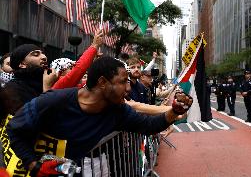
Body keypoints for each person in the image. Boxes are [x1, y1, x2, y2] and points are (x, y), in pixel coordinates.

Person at [7, 56, 192, 176]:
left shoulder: (118, 111)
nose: (128, 89)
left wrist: (174, 110)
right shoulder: (53, 102)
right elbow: (14, 130)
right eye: (122, 82)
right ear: (102, 82)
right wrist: (34, 165)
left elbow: (149, 125)